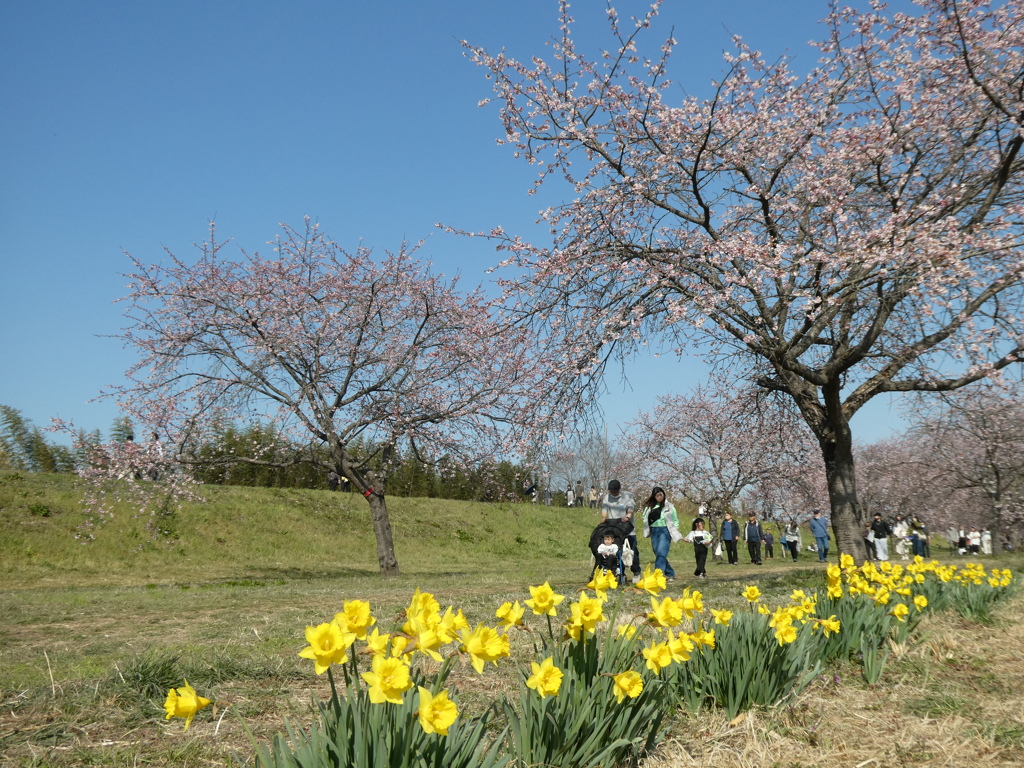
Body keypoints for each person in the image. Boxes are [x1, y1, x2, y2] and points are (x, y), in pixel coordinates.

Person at [641, 486, 683, 581]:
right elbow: (644, 517)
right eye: (657, 495)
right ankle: (670, 573)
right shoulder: (649, 507)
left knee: (661, 552)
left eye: (661, 495)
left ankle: (658, 575)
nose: (660, 497)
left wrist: (673, 530)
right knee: (658, 553)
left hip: (665, 531)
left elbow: (675, 520)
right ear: (654, 496)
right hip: (654, 531)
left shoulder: (669, 506)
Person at [601, 480, 640, 582]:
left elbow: (630, 508)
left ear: (619, 489)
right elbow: (604, 510)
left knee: (632, 551)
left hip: (628, 529)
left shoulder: (627, 496)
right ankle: (619, 572)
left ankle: (636, 572)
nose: (613, 493)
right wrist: (604, 518)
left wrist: (628, 516)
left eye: (615, 491)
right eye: (611, 491)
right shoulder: (607, 498)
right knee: (617, 551)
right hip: (615, 530)